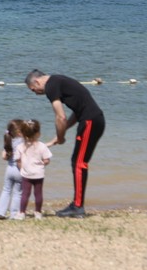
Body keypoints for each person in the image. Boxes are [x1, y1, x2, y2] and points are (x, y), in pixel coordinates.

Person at [24, 69, 105, 218]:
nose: (35, 93)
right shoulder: (58, 81)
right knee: (77, 161)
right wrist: (60, 134)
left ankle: (78, 207)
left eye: (33, 90)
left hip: (90, 122)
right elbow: (78, 111)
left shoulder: (51, 86)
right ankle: (76, 204)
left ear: (36, 81)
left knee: (79, 163)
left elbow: (60, 117)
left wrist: (61, 136)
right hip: (92, 120)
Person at [12, 119, 52, 220]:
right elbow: (47, 160)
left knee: (25, 194)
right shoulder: (42, 146)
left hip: (26, 174)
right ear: (38, 133)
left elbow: (18, 160)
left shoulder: (20, 146)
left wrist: (21, 169)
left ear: (23, 133)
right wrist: (43, 163)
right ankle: (38, 212)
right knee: (38, 194)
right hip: (39, 174)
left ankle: (22, 213)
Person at [0, 119, 24, 220]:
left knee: (6, 190)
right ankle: (14, 214)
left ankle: (0, 212)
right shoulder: (23, 142)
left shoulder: (9, 141)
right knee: (17, 193)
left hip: (9, 170)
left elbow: (4, 157)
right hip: (19, 170)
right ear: (19, 132)